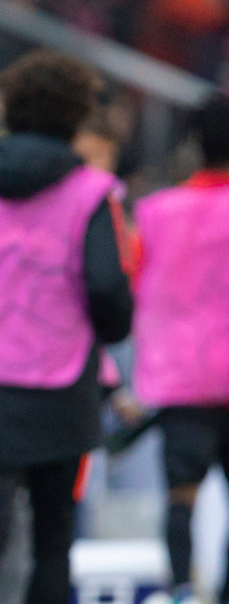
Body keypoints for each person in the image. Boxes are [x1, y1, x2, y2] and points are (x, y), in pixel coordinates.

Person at [0, 50, 133, 604]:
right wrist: (108, 330)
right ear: (76, 116)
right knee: (53, 535)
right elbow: (108, 287)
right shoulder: (91, 193)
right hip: (60, 387)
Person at [132, 95, 229, 604]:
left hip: (180, 379)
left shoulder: (154, 213)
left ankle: (183, 590)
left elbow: (129, 287)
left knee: (180, 496)